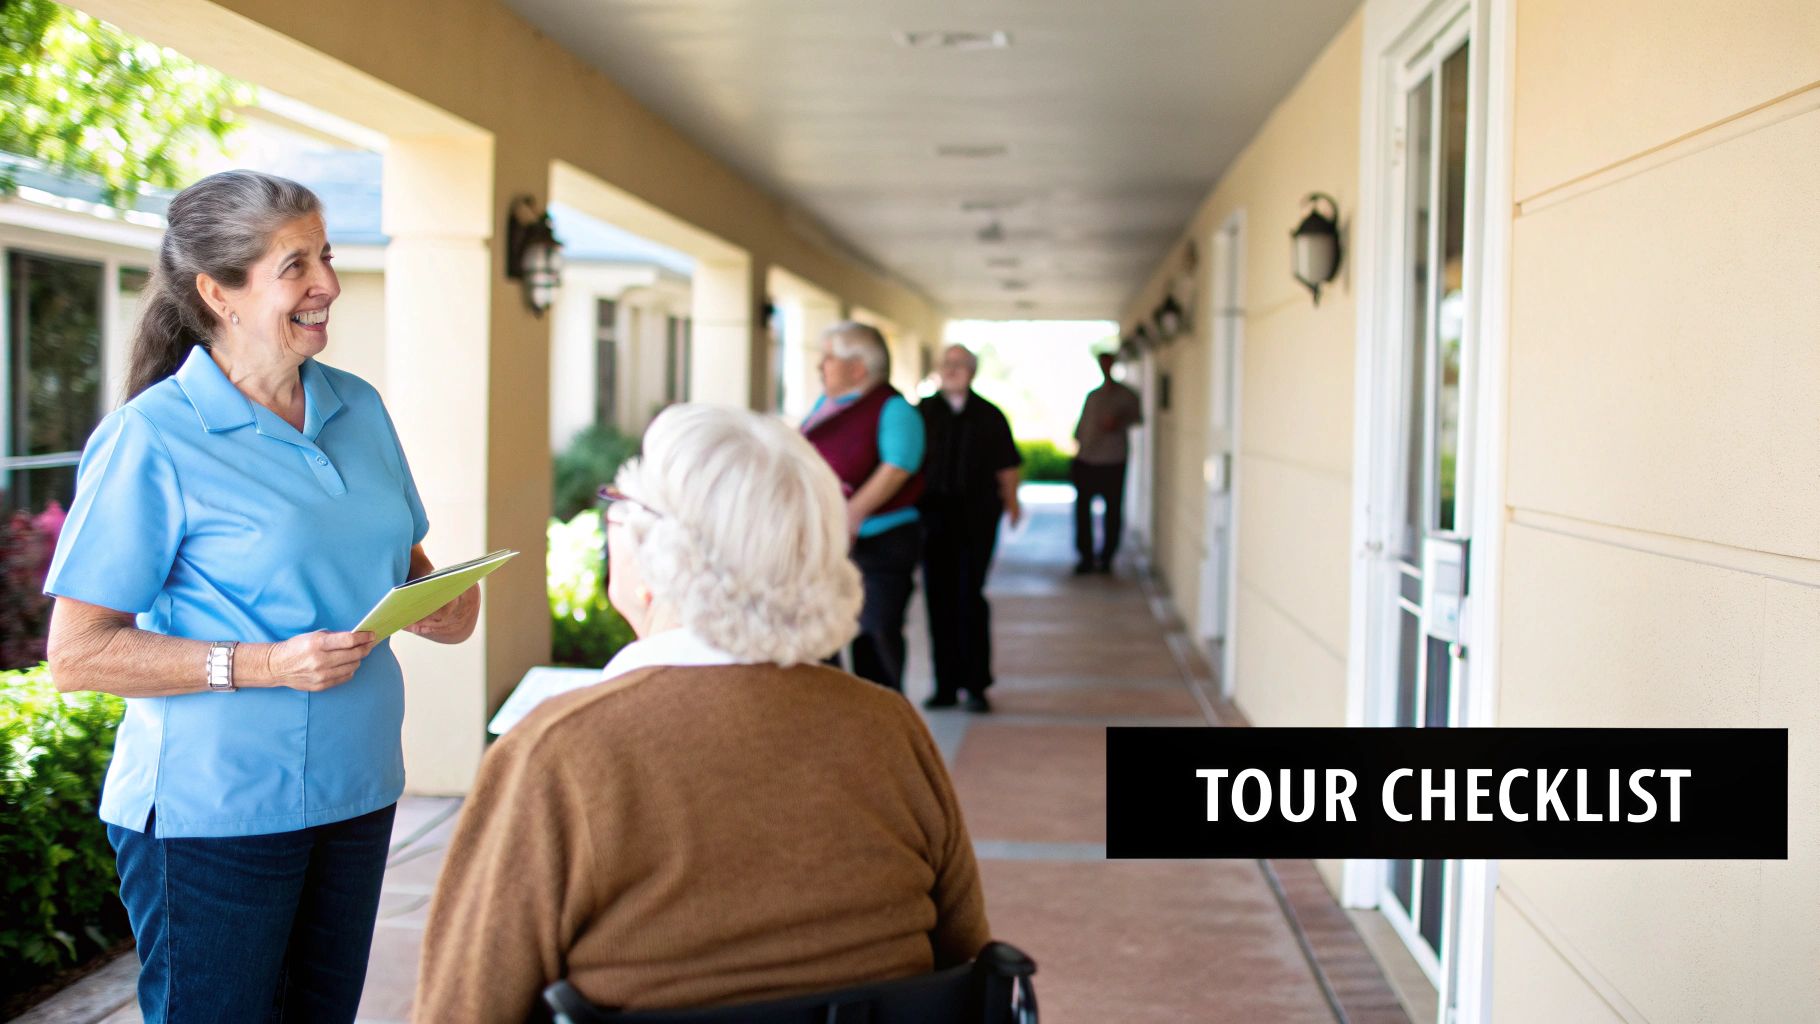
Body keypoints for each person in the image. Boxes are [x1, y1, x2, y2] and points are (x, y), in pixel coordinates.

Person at [41, 170, 480, 1024]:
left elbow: (408, 566)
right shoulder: (152, 437)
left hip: (358, 791)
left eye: (326, 255)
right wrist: (264, 664)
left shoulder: (360, 408)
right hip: (215, 814)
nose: (327, 285)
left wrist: (443, 603)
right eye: (295, 266)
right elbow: (78, 653)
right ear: (220, 293)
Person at [414, 405, 990, 1020]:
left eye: (621, 506)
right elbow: (970, 966)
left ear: (658, 565)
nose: (612, 521)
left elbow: (462, 1007)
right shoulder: (887, 726)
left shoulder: (559, 752)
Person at [800, 321, 925, 690]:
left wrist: (851, 516)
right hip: (828, 543)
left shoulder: (893, 409)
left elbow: (898, 466)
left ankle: (883, 726)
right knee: (824, 635)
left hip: (881, 542)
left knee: (875, 633)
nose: (820, 366)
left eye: (828, 358)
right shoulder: (826, 404)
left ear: (858, 367)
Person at [917, 344, 1021, 713]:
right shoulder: (923, 413)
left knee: (969, 594)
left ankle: (976, 685)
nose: (952, 370)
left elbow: (1007, 466)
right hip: (932, 518)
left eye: (959, 365)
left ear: (972, 371)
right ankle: (944, 685)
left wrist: (1012, 504)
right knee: (937, 597)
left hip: (977, 518)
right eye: (947, 364)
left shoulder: (990, 415)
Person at [1071, 351, 1143, 574]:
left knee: (1112, 511)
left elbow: (1137, 417)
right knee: (1083, 510)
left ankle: (1107, 557)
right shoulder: (1093, 396)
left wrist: (1118, 421)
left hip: (1113, 459)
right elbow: (1082, 427)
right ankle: (1086, 556)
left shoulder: (1127, 395)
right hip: (1088, 459)